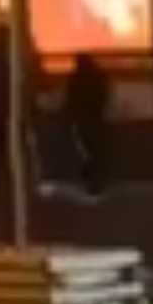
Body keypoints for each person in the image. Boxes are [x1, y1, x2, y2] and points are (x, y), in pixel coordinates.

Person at [65, 53, 112, 197]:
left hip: (82, 120)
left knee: (86, 151)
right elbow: (104, 96)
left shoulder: (75, 78)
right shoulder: (100, 76)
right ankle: (97, 182)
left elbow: (70, 99)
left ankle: (90, 182)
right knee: (98, 151)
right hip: (97, 119)